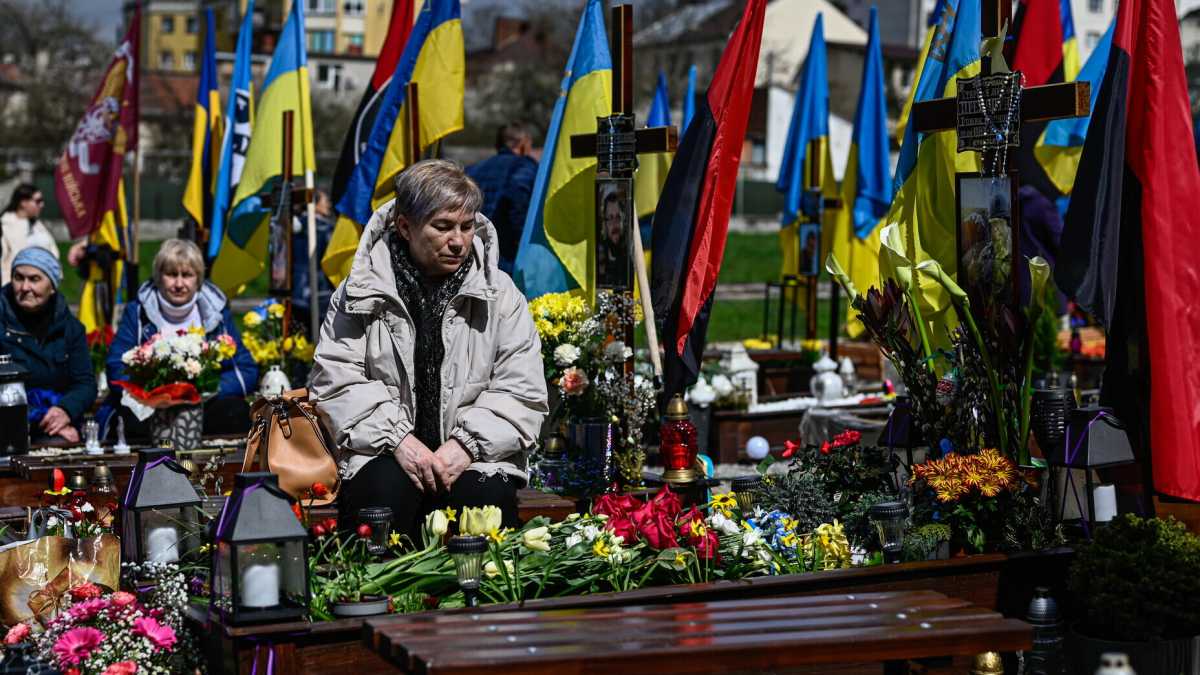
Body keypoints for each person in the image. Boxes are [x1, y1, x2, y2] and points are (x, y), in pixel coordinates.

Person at [311, 159, 547, 541]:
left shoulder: (502, 295)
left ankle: (482, 603)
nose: (458, 240)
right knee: (380, 500)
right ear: (405, 226)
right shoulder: (358, 293)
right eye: (443, 227)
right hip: (384, 450)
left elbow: (522, 389)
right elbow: (336, 380)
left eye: (467, 227)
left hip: (477, 457)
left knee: (483, 504)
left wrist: (466, 446)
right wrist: (399, 440)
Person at [103, 239, 258, 438]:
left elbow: (246, 370)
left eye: (187, 275)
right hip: (151, 406)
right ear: (159, 277)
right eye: (171, 274)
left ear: (198, 278)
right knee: (127, 416)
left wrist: (201, 391)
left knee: (236, 411)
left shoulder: (216, 312)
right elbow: (116, 365)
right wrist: (154, 393)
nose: (178, 284)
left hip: (203, 405)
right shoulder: (138, 312)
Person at [0, 247, 96, 443]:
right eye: (18, 278)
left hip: (54, 422)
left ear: (52, 286)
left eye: (34, 279)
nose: (25, 287)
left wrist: (65, 411)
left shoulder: (70, 328)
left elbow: (85, 383)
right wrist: (38, 417)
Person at [465, 122, 538, 273]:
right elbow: (518, 195)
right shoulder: (524, 165)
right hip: (507, 255)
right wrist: (522, 239)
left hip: (473, 253)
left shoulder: (472, 169)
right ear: (523, 144)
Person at [0, 184, 85, 286]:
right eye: (38, 201)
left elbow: (52, 252)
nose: (42, 205)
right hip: (15, 290)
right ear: (23, 203)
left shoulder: (38, 226)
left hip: (44, 289)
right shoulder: (5, 226)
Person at [291, 189, 335, 328]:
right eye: (325, 201)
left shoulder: (291, 227)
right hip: (320, 291)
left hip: (296, 290)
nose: (328, 205)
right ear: (314, 205)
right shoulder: (326, 228)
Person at [597, 189, 628, 287]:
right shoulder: (600, 255)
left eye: (618, 217)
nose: (614, 224)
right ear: (605, 223)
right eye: (610, 218)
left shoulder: (631, 252)